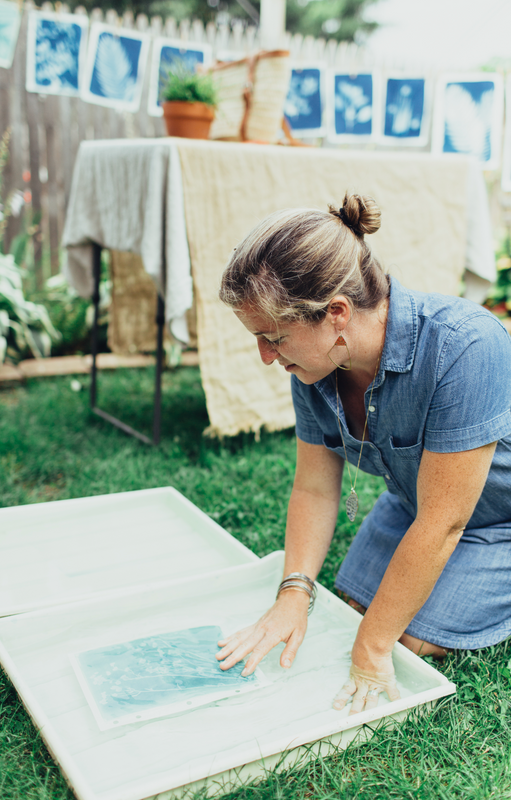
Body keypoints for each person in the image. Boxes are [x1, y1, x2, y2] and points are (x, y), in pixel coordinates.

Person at [214, 192, 511, 715]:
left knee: (404, 642)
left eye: (274, 338)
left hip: (494, 518)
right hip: (415, 504)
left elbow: (444, 522)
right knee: (349, 608)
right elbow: (314, 484)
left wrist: (372, 649)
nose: (265, 356)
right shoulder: (312, 363)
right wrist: (293, 593)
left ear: (337, 314)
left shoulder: (467, 346)